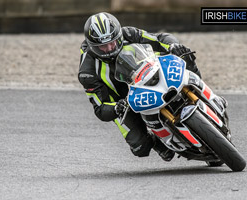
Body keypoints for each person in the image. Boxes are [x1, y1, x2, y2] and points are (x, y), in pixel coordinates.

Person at [78, 12, 224, 161]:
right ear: (92, 46)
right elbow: (100, 108)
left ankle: (209, 98)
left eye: (112, 42)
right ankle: (158, 142)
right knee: (140, 147)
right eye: (102, 46)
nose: (109, 48)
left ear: (118, 36)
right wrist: (117, 108)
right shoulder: (87, 72)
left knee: (186, 57)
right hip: (124, 101)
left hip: (150, 75)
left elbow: (160, 38)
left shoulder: (128, 33)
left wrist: (174, 46)